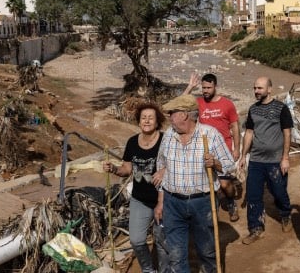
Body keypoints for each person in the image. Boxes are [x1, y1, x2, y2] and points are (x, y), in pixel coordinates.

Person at [155, 94, 234, 273]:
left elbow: (229, 166)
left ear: (184, 115)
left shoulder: (210, 135)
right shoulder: (168, 135)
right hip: (172, 202)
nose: (169, 117)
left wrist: (215, 163)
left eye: (172, 113)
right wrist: (161, 201)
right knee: (176, 255)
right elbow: (162, 168)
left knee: (207, 251)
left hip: (203, 203)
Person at [102, 102, 169, 273]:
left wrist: (164, 170)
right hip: (140, 199)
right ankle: (148, 269)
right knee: (137, 240)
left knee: (162, 242)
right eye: (143, 118)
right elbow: (127, 169)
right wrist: (114, 169)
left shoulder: (165, 140)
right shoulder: (132, 142)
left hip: (165, 199)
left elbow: (177, 162)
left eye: (150, 118)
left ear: (157, 121)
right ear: (139, 121)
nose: (146, 121)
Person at [239, 77, 294, 244]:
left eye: (260, 88)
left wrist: (285, 158)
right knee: (254, 195)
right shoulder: (253, 110)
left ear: (270, 89)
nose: (256, 91)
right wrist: (243, 156)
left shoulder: (281, 108)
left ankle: (285, 215)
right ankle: (256, 228)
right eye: (255, 88)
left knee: (279, 192)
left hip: (275, 161)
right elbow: (249, 133)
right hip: (256, 160)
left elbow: (287, 133)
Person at [184, 72, 242, 222]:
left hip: (224, 150)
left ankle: (230, 202)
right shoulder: (198, 103)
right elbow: (180, 104)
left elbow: (235, 126)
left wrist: (236, 148)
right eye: (203, 88)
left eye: (209, 88)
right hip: (204, 151)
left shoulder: (227, 104)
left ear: (215, 86)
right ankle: (209, 211)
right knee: (207, 183)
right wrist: (190, 87)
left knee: (225, 183)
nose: (205, 91)